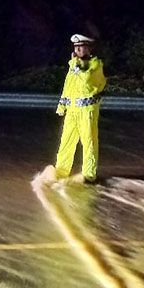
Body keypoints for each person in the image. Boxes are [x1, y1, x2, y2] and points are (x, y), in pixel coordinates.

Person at [54, 33, 106, 184]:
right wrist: (62, 105)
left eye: (81, 47)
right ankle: (61, 173)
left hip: (86, 112)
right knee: (65, 142)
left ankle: (89, 176)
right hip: (72, 112)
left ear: (89, 48)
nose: (77, 50)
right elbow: (68, 86)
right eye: (76, 47)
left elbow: (86, 81)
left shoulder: (95, 65)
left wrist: (75, 65)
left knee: (88, 142)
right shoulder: (74, 66)